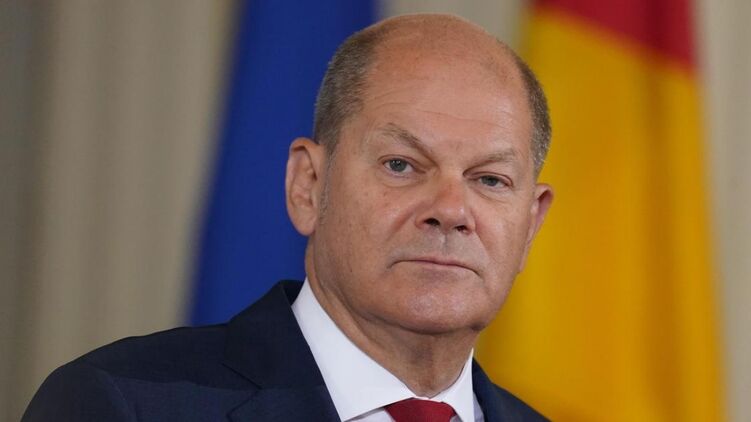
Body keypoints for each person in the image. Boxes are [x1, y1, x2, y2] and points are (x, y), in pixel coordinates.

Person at [23, 13, 553, 422]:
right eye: (401, 165)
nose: (451, 210)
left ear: (530, 225)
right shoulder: (122, 404)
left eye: (490, 180)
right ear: (308, 186)